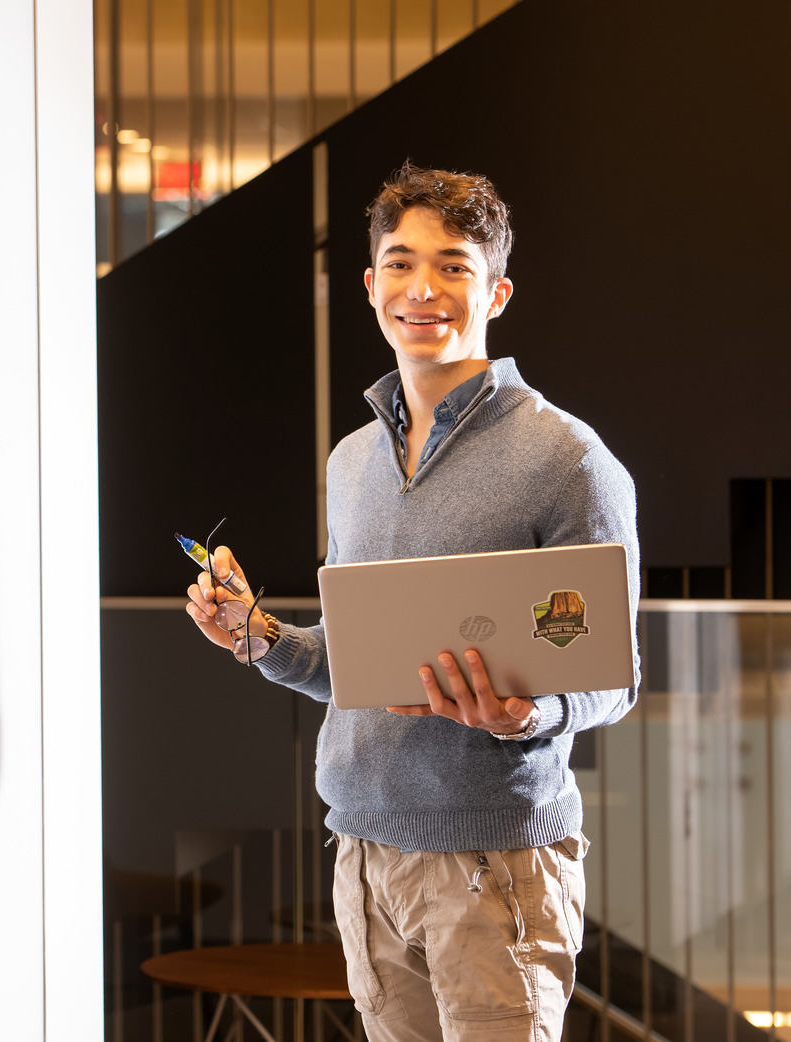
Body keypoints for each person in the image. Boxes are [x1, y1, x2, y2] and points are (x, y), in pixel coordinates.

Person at [186, 162, 640, 1042]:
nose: (421, 288)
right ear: (369, 284)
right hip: (362, 850)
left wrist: (529, 714)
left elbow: (610, 681)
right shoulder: (351, 461)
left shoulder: (570, 460)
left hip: (495, 862)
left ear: (497, 291)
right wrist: (258, 634)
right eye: (399, 263)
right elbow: (361, 664)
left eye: (453, 266)